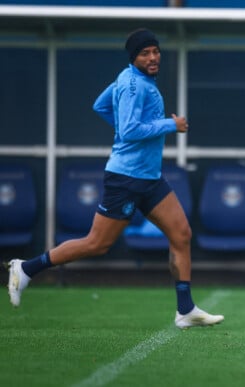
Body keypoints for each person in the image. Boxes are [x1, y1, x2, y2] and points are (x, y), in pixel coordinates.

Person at [7, 28, 224, 329]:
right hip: (125, 178)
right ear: (133, 57)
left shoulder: (132, 79)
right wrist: (170, 124)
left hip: (149, 178)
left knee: (181, 234)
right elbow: (132, 130)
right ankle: (26, 268)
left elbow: (100, 105)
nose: (152, 57)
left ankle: (185, 310)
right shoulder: (134, 85)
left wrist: (126, 128)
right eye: (145, 53)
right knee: (96, 244)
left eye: (155, 51)